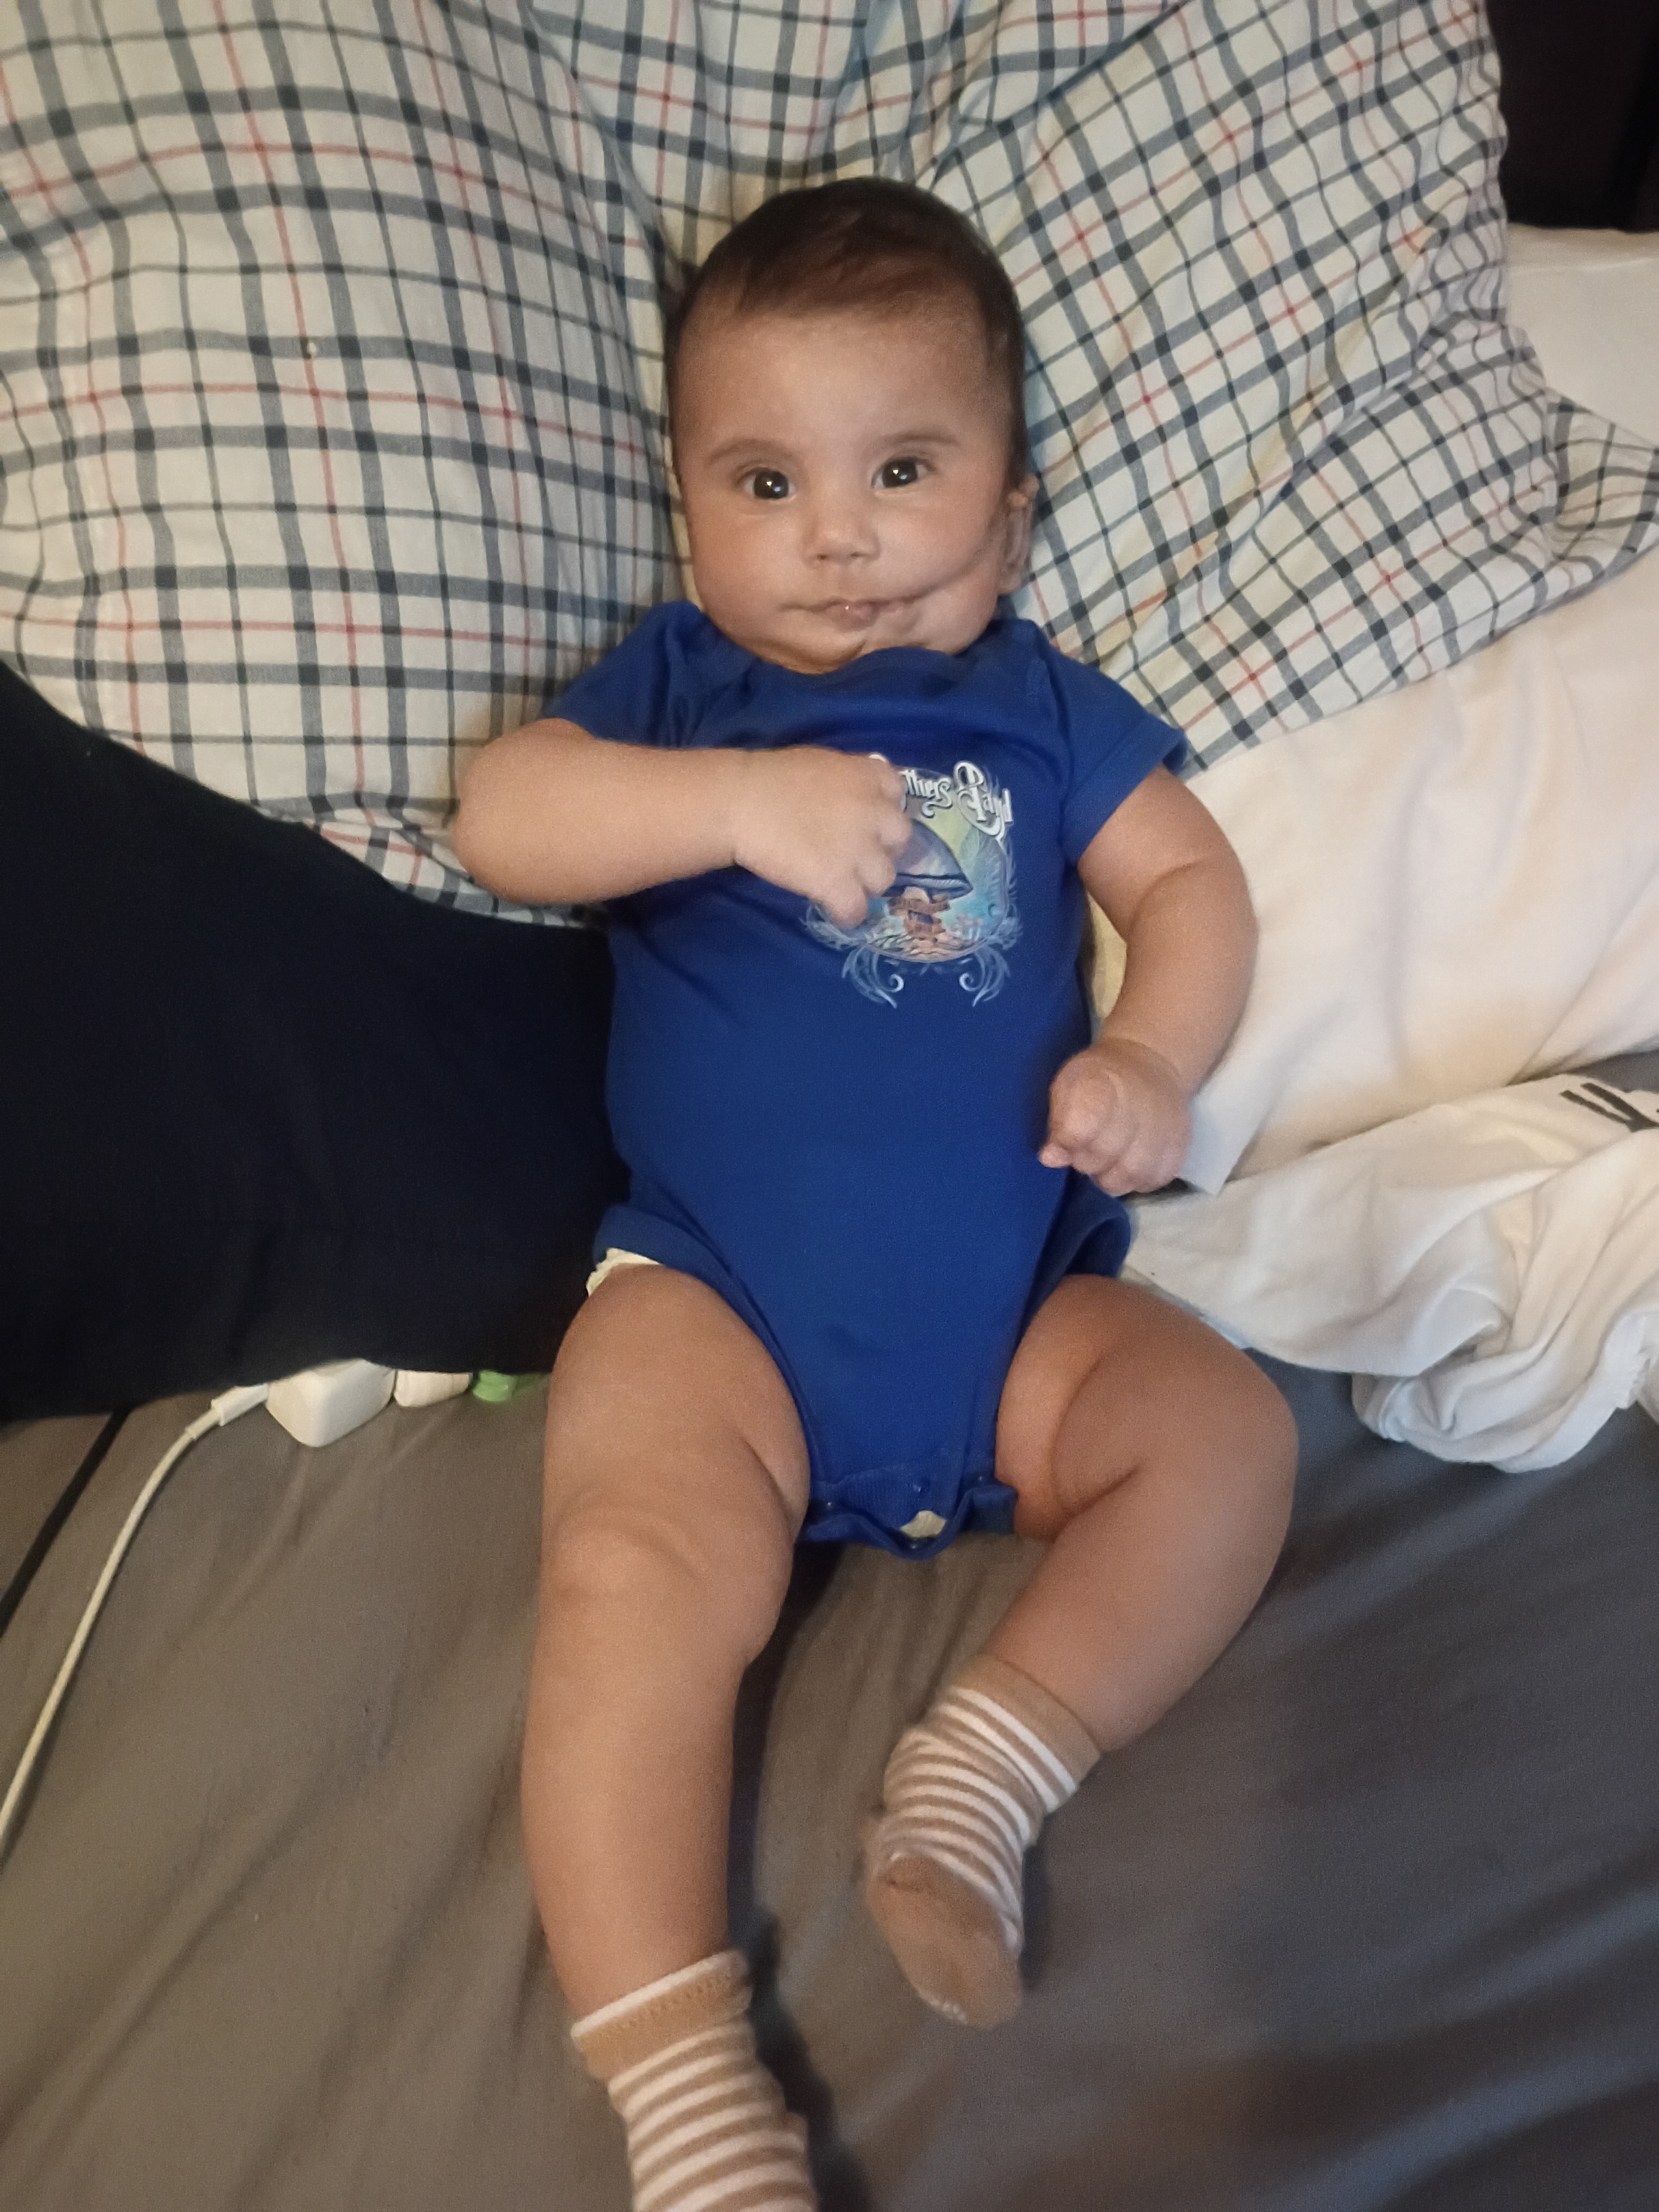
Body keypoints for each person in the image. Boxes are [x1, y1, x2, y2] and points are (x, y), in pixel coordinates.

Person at [455, 178, 1297, 2212]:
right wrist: (731, 804)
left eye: (899, 470)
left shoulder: (1042, 709)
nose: (833, 536)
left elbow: (1190, 885)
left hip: (1014, 1314)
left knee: (1222, 1435)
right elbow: (504, 816)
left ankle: (979, 1775)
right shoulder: (683, 692)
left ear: (1010, 508)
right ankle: (681, 2086)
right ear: (688, 512)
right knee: (626, 1576)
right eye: (766, 482)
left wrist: (1149, 1061)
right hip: (716, 1308)